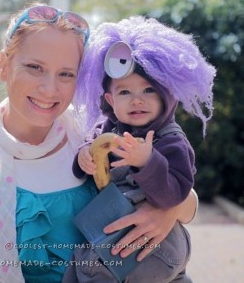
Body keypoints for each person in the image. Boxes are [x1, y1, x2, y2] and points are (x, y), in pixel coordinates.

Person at [0, 3, 199, 283]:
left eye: (66, 74)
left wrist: (164, 211)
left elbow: (188, 199)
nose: (50, 89)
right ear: (4, 64)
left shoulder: (90, 136)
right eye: (34, 67)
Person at [64, 16, 216, 282]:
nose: (136, 100)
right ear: (110, 99)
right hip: (116, 234)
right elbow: (92, 150)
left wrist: (148, 162)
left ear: (167, 94)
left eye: (148, 90)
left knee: (100, 270)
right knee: (80, 267)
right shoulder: (108, 128)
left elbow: (174, 196)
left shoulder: (170, 141)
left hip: (158, 245)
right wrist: (85, 157)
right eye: (124, 92)